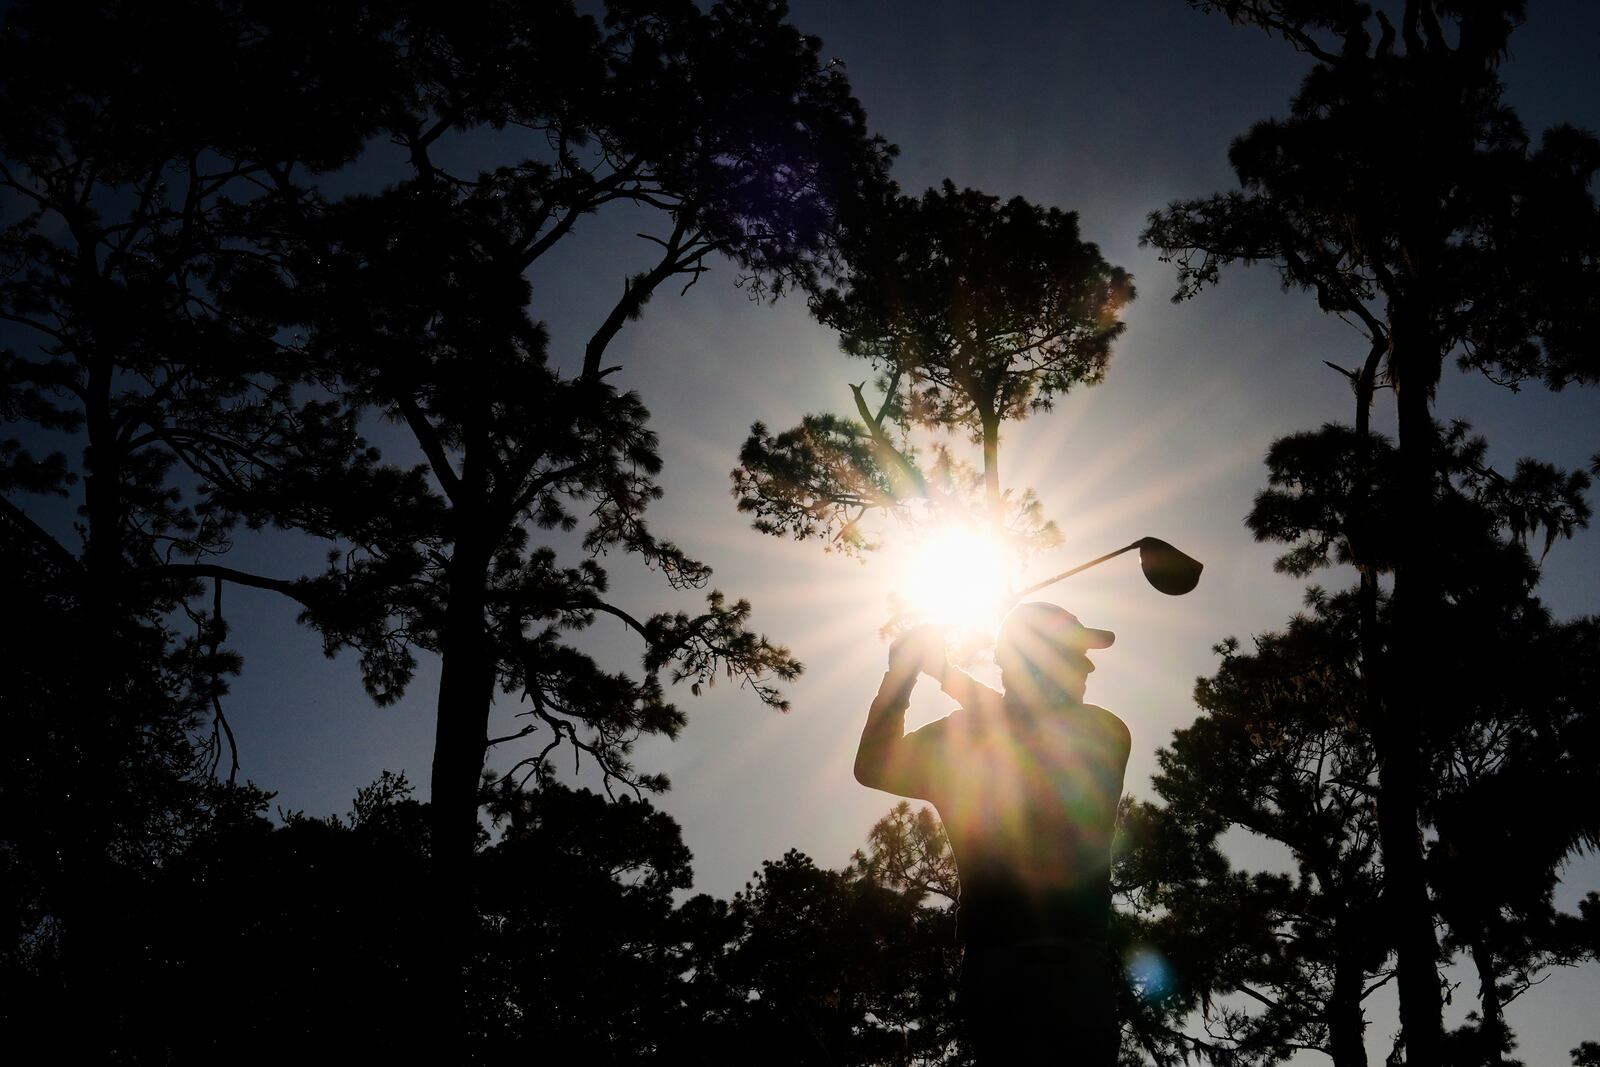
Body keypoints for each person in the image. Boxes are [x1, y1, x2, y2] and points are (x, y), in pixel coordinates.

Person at [854, 602, 1130, 1065]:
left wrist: (929, 670)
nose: (1088, 667)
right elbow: (872, 767)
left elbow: (1027, 727)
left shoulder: (1101, 730)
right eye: (1074, 655)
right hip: (1048, 971)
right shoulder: (1098, 730)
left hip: (1017, 968)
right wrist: (918, 673)